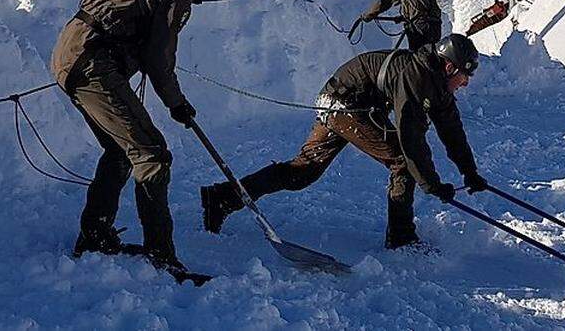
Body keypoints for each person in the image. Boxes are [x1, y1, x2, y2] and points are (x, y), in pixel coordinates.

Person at [49, 0, 231, 284]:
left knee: (121, 149)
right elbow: (160, 57)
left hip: (77, 55)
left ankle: (95, 235)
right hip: (92, 63)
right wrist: (176, 102)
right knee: (151, 154)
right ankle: (161, 257)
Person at [200, 34, 486, 250]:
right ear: (449, 67)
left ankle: (223, 197)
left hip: (342, 104)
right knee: (402, 160)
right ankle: (401, 237)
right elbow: (410, 139)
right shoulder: (417, 76)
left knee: (303, 172)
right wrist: (431, 184)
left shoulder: (437, 84)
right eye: (464, 75)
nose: (466, 82)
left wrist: (469, 172)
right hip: (343, 105)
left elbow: (451, 130)